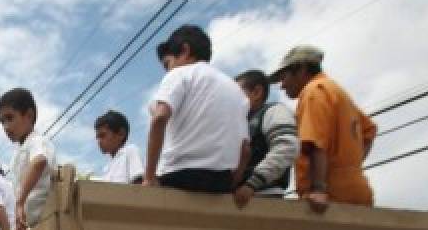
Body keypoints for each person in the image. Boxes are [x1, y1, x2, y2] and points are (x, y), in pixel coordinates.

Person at [143, 25, 250, 194]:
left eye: (168, 64)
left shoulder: (180, 74)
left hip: (179, 176)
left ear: (185, 50)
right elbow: (245, 148)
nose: (168, 70)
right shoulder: (237, 90)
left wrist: (149, 177)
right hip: (221, 182)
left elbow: (159, 118)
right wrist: (232, 182)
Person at [270, 45, 377, 213]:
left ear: (302, 69)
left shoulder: (313, 91)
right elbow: (369, 131)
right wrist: (350, 169)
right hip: (358, 191)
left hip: (330, 197)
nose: (282, 85)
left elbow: (316, 143)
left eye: (284, 77)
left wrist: (318, 189)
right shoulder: (336, 91)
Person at [233, 70, 299, 208]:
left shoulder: (273, 112)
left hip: (264, 196)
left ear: (257, 92)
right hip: (240, 198)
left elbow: (287, 147)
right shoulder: (241, 122)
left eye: (235, 93)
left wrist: (252, 184)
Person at [0, 87, 56, 230]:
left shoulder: (37, 141)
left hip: (47, 223)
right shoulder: (18, 152)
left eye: (10, 118)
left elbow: (39, 161)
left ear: (29, 115)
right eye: (2, 121)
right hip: (30, 228)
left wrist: (20, 202)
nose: (6, 127)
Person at [94, 110, 144, 184]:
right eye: (97, 137)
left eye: (102, 135)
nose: (99, 141)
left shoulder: (130, 151)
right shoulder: (107, 168)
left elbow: (139, 184)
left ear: (121, 134)